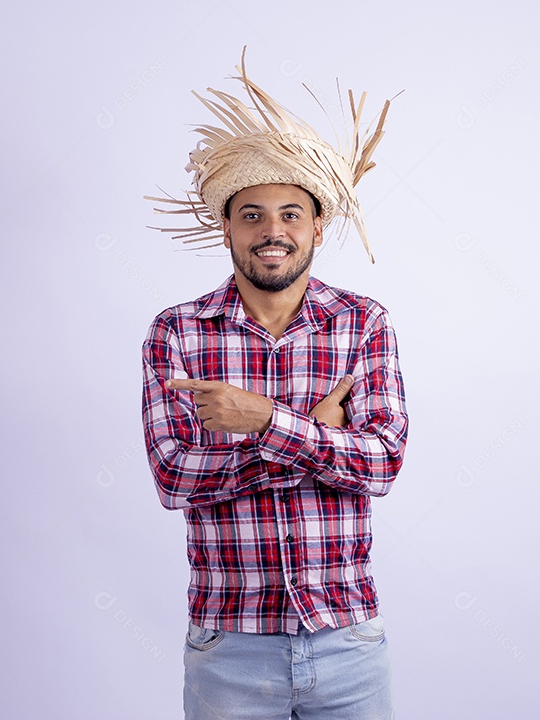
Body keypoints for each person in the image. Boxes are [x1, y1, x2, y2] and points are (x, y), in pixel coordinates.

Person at [141, 51, 408, 720]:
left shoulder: (362, 323)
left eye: (291, 214)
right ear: (226, 227)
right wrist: (312, 435)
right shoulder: (177, 331)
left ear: (318, 226)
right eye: (253, 214)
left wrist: (262, 420)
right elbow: (175, 480)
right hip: (230, 646)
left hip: (346, 638)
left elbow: (382, 462)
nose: (273, 231)